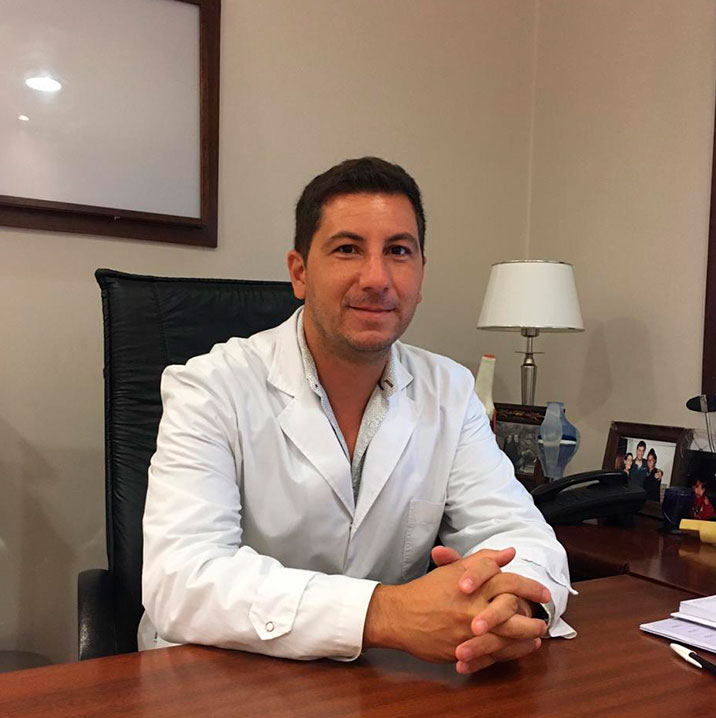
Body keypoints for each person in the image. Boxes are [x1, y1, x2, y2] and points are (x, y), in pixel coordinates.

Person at [139, 157, 574, 675]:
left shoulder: (451, 392)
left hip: (379, 681)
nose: (377, 278)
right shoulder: (210, 387)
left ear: (421, 273)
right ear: (299, 272)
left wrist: (510, 606)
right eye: (347, 249)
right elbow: (181, 580)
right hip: (221, 678)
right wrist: (385, 613)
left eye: (398, 251)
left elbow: (518, 533)